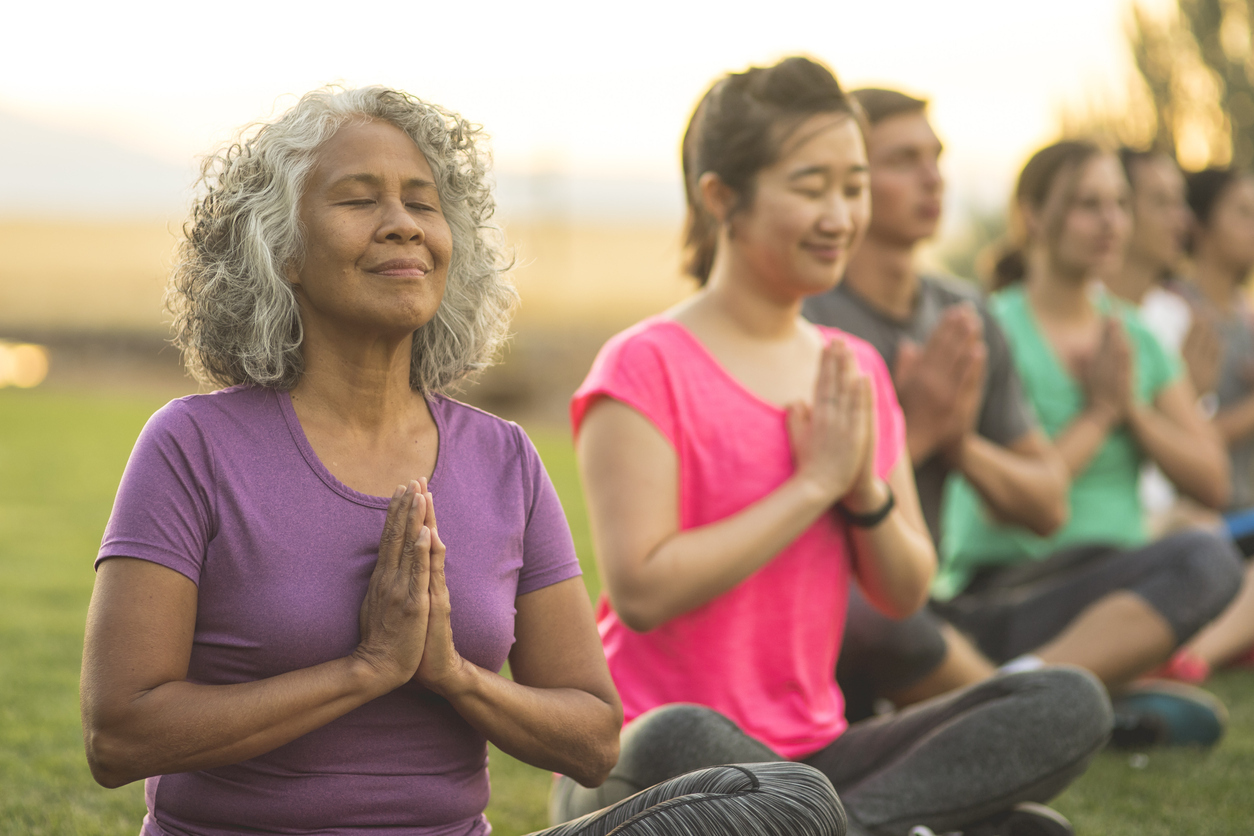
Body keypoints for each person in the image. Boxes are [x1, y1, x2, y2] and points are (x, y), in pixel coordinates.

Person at [80, 86, 847, 836]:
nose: (402, 225)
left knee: (788, 802)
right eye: (357, 200)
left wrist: (451, 675)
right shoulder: (193, 446)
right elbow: (120, 735)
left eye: (422, 202)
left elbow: (592, 738)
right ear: (280, 251)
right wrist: (365, 669)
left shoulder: (503, 457)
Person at [554, 58, 1111, 836]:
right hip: (653, 763)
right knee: (684, 732)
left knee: (1066, 700)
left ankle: (824, 823)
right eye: (811, 187)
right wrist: (811, 486)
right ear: (722, 199)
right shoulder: (645, 364)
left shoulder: (853, 371)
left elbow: (905, 592)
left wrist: (866, 495)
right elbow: (643, 590)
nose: (840, 214)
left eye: (852, 188)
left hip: (819, 751)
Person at [937, 140, 1243, 747]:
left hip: (1116, 584)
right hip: (1011, 585)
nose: (1111, 223)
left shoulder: (1133, 337)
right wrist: (1101, 413)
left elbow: (1212, 480)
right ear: (1034, 215)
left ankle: (1036, 695)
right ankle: (1055, 696)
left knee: (1209, 553)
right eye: (1087, 205)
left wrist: (1132, 407)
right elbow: (1013, 502)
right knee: (1199, 554)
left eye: (1120, 205)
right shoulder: (989, 329)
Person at [802, 88, 1069, 719]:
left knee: (1196, 560)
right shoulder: (805, 317)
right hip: (845, 613)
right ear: (851, 183)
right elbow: (800, 534)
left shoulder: (965, 314)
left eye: (937, 157)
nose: (933, 178)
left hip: (935, 604)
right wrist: (913, 433)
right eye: (903, 160)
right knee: (871, 614)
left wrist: (961, 445)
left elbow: (1048, 506)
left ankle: (993, 693)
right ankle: (1027, 712)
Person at [1153, 167, 1254, 680]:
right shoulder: (1175, 314)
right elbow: (1189, 440)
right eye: (1242, 212)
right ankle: (1194, 660)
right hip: (1205, 512)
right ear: (1202, 228)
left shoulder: (1247, 314)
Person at [1106, 148, 1222, 534]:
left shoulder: (1176, 318)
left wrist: (1185, 399)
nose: (1183, 220)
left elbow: (1206, 469)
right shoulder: (1080, 318)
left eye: (1181, 202)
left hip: (1175, 521)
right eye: (1161, 203)